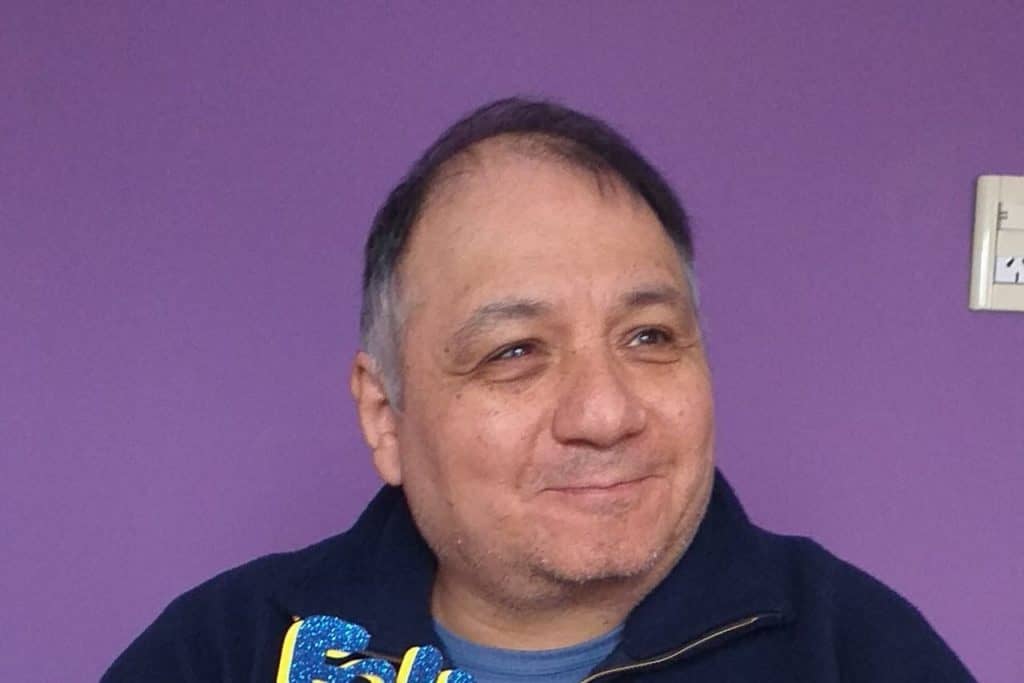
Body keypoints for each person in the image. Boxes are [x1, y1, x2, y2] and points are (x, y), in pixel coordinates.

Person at [102, 98, 974, 682]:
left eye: (649, 336)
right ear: (384, 416)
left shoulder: (859, 650)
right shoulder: (223, 650)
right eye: (514, 351)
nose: (606, 413)